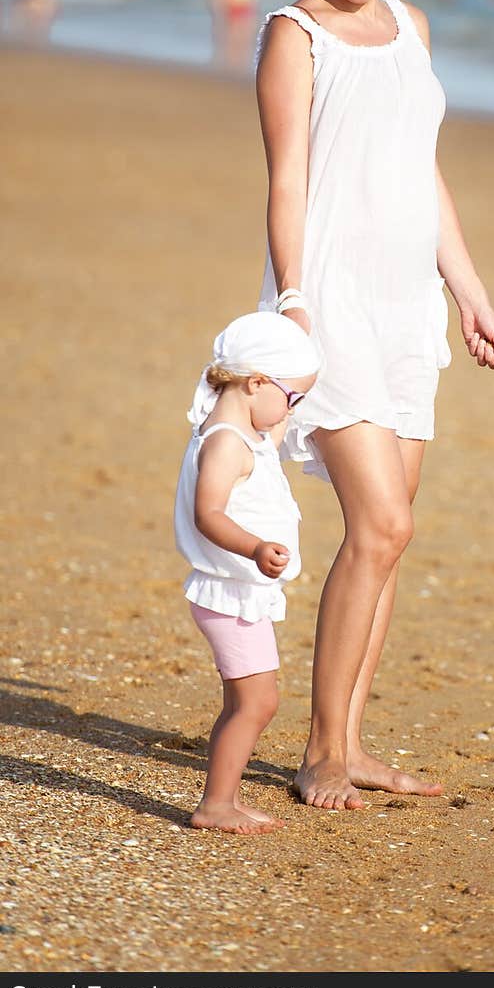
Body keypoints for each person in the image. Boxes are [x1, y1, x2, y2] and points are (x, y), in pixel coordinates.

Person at [254, 0, 494, 812]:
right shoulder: (293, 36)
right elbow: (285, 181)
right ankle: (321, 752)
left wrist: (469, 292)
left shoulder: (413, 28)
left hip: (406, 304)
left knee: (389, 538)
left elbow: (422, 172)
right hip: (330, 303)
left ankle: (352, 742)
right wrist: (291, 302)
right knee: (382, 524)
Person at [173, 312, 320, 832]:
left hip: (237, 593)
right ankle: (216, 804)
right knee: (258, 702)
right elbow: (207, 511)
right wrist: (256, 547)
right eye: (292, 396)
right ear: (256, 382)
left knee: (244, 701)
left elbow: (272, 433)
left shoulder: (243, 428)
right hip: (229, 594)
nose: (293, 409)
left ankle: (222, 797)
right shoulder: (225, 441)